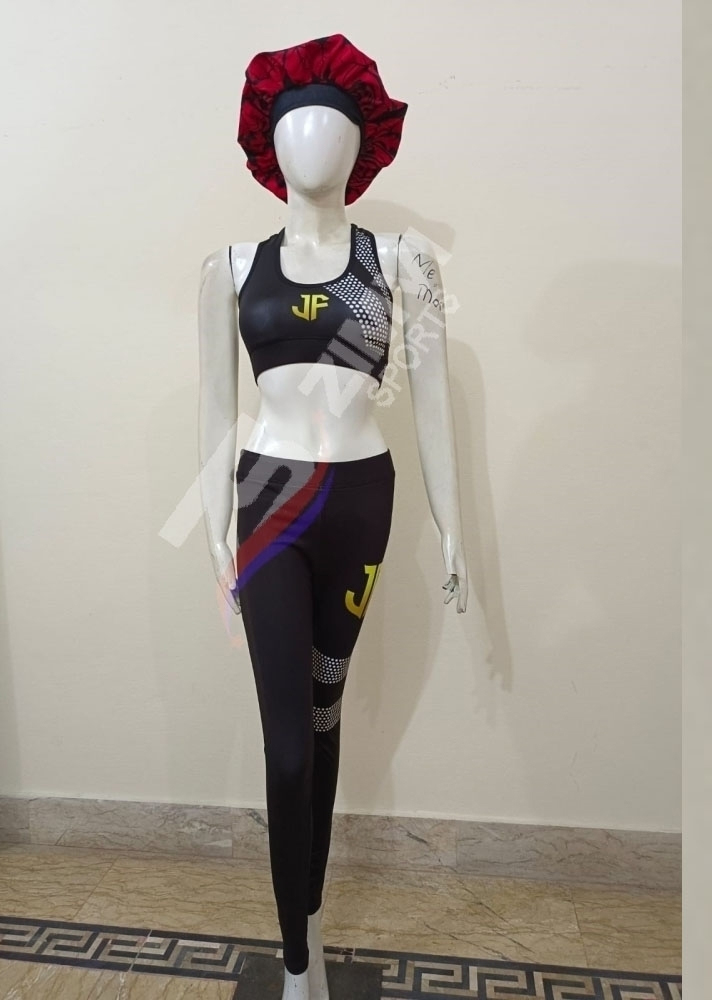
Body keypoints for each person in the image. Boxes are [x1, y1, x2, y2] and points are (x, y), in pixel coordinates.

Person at [197, 33, 469, 1000]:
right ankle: (295, 962)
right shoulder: (231, 266)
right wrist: (216, 523)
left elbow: (430, 403)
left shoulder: (398, 263)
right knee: (285, 747)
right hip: (271, 500)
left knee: (323, 714)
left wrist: (453, 525)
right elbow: (214, 412)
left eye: (333, 124)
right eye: (295, 124)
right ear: (268, 142)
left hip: (359, 499)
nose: (314, 140)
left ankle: (308, 923)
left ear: (364, 143)